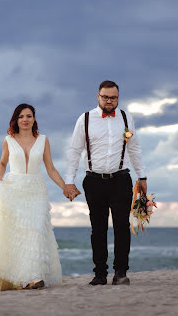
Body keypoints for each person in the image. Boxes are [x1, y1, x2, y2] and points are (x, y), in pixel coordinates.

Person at [0, 103, 74, 292]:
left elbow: (50, 168)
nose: (25, 120)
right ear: (16, 120)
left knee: (35, 230)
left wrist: (65, 187)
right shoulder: (8, 140)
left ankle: (34, 276)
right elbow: (2, 163)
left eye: (29, 116)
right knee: (17, 233)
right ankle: (23, 278)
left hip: (36, 189)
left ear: (34, 119)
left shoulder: (43, 140)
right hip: (13, 188)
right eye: (21, 117)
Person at [64, 80, 148, 286]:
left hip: (121, 178)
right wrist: (69, 180)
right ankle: (100, 273)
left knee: (121, 227)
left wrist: (142, 176)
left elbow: (134, 148)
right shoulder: (84, 119)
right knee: (98, 229)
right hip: (94, 180)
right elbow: (75, 150)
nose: (109, 101)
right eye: (105, 97)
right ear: (98, 96)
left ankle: (120, 272)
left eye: (113, 97)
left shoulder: (126, 118)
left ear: (118, 97)